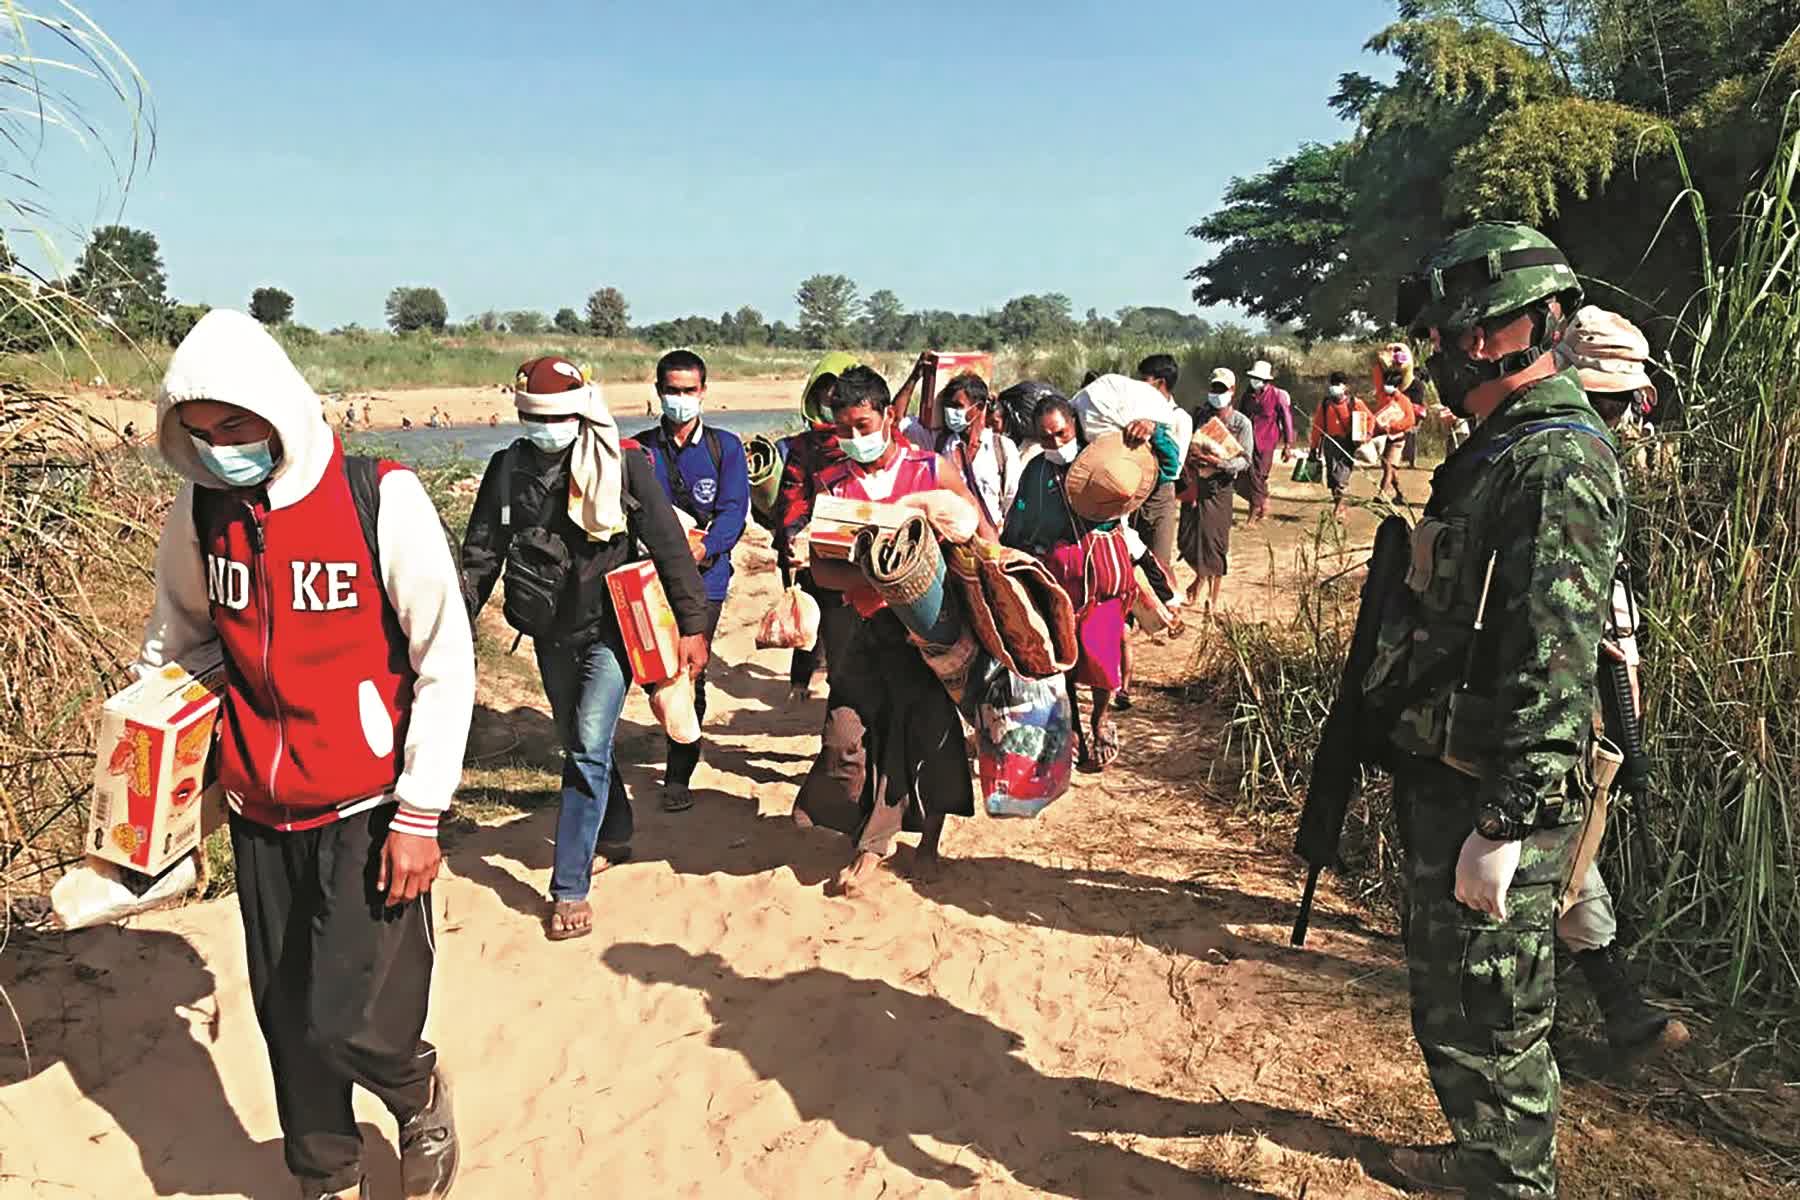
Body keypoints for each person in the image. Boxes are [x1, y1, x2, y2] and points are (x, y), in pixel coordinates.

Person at [137, 310, 472, 1200]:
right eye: (200, 435)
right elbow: (179, 640)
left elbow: (445, 658)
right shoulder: (203, 508)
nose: (221, 450)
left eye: (235, 426)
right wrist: (153, 752)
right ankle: (325, 1171)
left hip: (368, 808)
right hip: (259, 810)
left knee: (350, 1018)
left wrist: (422, 810)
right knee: (288, 1019)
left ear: (278, 406)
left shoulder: (380, 497)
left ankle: (416, 1089)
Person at [1375, 223, 1624, 1197]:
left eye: (1476, 330)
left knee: (1495, 1014)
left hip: (1498, 790)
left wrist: (1505, 821)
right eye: (1452, 333)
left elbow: (1552, 660)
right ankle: (1482, 1160)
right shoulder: (1501, 448)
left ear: (1538, 325)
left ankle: (1511, 1182)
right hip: (1456, 771)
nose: (1457, 349)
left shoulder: (1554, 461)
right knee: (1453, 1002)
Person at [460, 356, 709, 942]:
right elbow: (481, 553)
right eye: (534, 417)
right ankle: (615, 830)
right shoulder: (507, 470)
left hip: (613, 629)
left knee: (588, 745)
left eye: (557, 418)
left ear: (580, 413)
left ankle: (569, 887)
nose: (545, 429)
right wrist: (456, 622)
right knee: (578, 741)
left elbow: (669, 547)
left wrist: (693, 626)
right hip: (549, 631)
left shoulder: (622, 465)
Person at [792, 365, 992, 897]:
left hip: (930, 632)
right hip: (864, 631)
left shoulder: (930, 470)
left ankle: (907, 844)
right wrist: (879, 575)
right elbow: (822, 570)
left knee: (930, 736)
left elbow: (977, 532)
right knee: (845, 740)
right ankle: (867, 829)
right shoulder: (834, 486)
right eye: (843, 429)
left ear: (888, 417)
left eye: (862, 425)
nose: (853, 437)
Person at [1550, 306, 1688, 1061]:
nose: (1615, 417)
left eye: (1619, 403)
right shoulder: (1559, 462)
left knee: (1567, 843)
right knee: (1565, 845)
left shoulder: (1593, 460)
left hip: (1586, 693)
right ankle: (1615, 1004)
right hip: (1551, 701)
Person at [631, 349, 750, 814]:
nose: (679, 398)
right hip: (648, 579)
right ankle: (675, 729)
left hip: (706, 578)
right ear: (658, 392)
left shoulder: (726, 448)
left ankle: (678, 772)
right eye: (671, 390)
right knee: (654, 671)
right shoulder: (639, 450)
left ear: (703, 392)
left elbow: (733, 511)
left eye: (688, 390)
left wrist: (704, 548)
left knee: (686, 670)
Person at [1002, 394, 1148, 771]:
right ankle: (1075, 730)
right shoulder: (1036, 471)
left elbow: (1158, 466)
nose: (1054, 443)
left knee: (1101, 655)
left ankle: (1100, 717)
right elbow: (1020, 522)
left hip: (1102, 574)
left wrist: (1151, 432)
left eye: (1061, 434)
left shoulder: (1103, 458)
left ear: (1074, 427)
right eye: (1045, 437)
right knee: (1062, 657)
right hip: (1057, 577)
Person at [774, 352, 860, 701]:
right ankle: (804, 681)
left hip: (856, 551)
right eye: (825, 391)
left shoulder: (865, 442)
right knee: (811, 615)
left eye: (838, 391)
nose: (831, 399)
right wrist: (795, 534)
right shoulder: (804, 446)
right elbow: (792, 494)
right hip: (811, 549)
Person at [1178, 368, 1254, 613]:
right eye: (1214, 388)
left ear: (1232, 391)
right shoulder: (1199, 416)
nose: (1217, 393)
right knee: (1187, 541)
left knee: (1214, 545)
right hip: (1194, 485)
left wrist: (1217, 462)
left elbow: (1245, 461)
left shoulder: (1241, 423)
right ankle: (1199, 578)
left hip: (1219, 489)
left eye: (1222, 389)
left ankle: (1212, 599)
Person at [921, 374, 1023, 533]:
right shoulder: (940, 444)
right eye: (947, 406)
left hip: (991, 537)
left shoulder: (1002, 448)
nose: (950, 412)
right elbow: (898, 423)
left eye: (957, 406)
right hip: (949, 537)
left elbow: (1013, 499)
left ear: (979, 407)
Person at [1234, 359, 1296, 522]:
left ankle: (1252, 517)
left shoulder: (1277, 396)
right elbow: (1240, 417)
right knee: (1244, 478)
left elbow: (1287, 420)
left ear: (1266, 380)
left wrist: (1288, 445)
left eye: (1258, 379)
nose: (1254, 381)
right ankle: (1263, 500)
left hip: (1266, 442)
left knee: (1258, 476)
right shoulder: (1247, 395)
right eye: (1253, 378)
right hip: (1247, 441)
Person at [1308, 370, 1373, 522]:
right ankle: (1340, 505)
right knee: (1332, 477)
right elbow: (1317, 427)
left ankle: (1338, 508)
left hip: (1347, 443)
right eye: (1333, 384)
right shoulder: (1325, 404)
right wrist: (1313, 447)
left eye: (1338, 384)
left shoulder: (1355, 403)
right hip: (1330, 444)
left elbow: (1370, 419)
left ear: (1346, 387)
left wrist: (1367, 434)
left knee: (1341, 477)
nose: (1335, 387)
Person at [1371, 343, 1421, 504]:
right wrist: (1383, 357)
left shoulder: (1406, 397)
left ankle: (1382, 494)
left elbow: (1410, 419)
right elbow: (1377, 378)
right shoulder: (1384, 394)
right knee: (1389, 467)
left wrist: (1393, 426)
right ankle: (1400, 494)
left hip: (1398, 436)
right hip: (1384, 435)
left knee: (1388, 466)